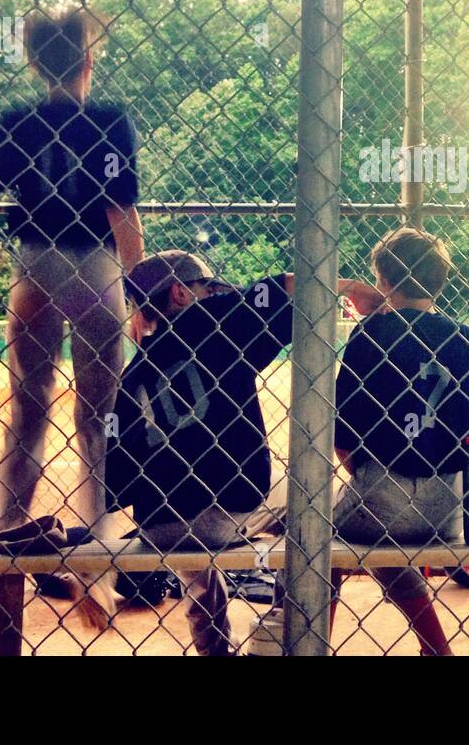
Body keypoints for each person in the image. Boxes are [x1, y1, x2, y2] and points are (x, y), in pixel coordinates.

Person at [0, 8, 143, 625]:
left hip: (34, 264)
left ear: (38, 64)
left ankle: (6, 540)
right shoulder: (109, 120)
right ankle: (98, 571)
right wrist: (137, 287)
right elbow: (122, 214)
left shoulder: (17, 120)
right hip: (94, 266)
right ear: (88, 62)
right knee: (98, 419)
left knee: (28, 408)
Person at [110, 250, 381, 655]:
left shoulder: (133, 372)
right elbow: (284, 284)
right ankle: (278, 630)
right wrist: (352, 288)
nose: (218, 295)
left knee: (193, 549)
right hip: (226, 510)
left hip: (157, 523)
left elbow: (115, 481)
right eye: (209, 288)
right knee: (310, 496)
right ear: (181, 294)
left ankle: (214, 646)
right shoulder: (213, 322)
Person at [332, 227, 469, 656]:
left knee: (308, 545)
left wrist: (365, 474)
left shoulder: (370, 334)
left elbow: (342, 434)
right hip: (451, 504)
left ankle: (306, 646)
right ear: (440, 281)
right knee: (386, 550)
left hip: (383, 492)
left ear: (383, 282)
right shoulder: (468, 339)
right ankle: (436, 649)